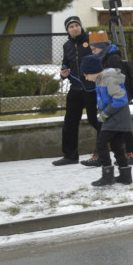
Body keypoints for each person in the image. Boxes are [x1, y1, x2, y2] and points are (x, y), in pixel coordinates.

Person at [53, 16, 101, 166]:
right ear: (67, 30)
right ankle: (70, 156)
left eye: (76, 25)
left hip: (92, 88)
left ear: (81, 26)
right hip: (75, 88)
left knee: (96, 120)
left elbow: (101, 60)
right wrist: (63, 74)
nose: (74, 28)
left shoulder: (91, 40)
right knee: (70, 123)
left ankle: (100, 154)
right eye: (71, 26)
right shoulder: (67, 45)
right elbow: (65, 64)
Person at [80, 53, 133, 187]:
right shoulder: (101, 79)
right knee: (116, 146)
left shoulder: (108, 79)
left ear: (92, 71)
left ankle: (107, 175)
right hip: (116, 118)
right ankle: (125, 175)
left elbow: (120, 98)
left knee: (101, 144)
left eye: (86, 74)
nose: (85, 77)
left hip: (116, 118)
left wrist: (105, 113)